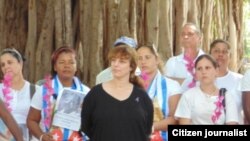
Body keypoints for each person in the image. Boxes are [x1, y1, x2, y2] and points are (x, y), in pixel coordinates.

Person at [81, 45, 154, 141]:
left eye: (122, 61)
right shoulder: (95, 94)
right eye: (113, 60)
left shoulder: (142, 97)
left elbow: (146, 130)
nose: (116, 64)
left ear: (131, 67)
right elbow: (86, 127)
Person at [27, 46, 90, 141]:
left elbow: (93, 122)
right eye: (61, 62)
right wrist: (42, 136)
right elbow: (31, 120)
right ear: (55, 67)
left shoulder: (86, 92)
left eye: (71, 62)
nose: (67, 66)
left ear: (76, 66)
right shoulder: (44, 90)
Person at [175, 54, 239, 124]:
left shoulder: (226, 96)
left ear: (216, 71)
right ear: (195, 73)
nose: (203, 72)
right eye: (199, 69)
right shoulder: (188, 96)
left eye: (207, 68)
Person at [136, 44, 181, 141]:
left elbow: (175, 119)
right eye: (139, 58)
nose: (143, 61)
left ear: (156, 60)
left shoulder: (172, 85)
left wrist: (151, 127)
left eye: (147, 57)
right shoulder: (131, 84)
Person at [0, 48, 39, 141]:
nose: (6, 67)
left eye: (10, 62)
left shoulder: (36, 90)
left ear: (20, 63)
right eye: (3, 65)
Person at [209, 39, 243, 124]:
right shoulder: (199, 81)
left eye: (225, 52)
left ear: (230, 57)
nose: (220, 54)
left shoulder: (241, 80)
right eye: (216, 51)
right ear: (209, 55)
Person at [164, 22, 205, 92]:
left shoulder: (208, 61)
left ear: (199, 38)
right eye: (183, 34)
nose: (185, 37)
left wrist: (177, 81)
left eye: (190, 34)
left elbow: (209, 84)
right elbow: (166, 84)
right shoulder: (172, 62)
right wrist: (195, 81)